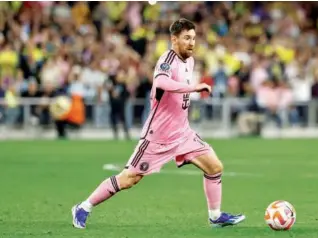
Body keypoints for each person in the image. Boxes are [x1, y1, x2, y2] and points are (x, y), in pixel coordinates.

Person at [71, 18, 245, 229]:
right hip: (158, 137)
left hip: (183, 134)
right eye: (186, 38)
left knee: (215, 166)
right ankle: (83, 207)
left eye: (193, 38)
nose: (191, 43)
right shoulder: (167, 59)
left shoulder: (189, 61)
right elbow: (161, 82)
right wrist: (193, 89)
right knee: (128, 179)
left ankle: (215, 216)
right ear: (174, 39)